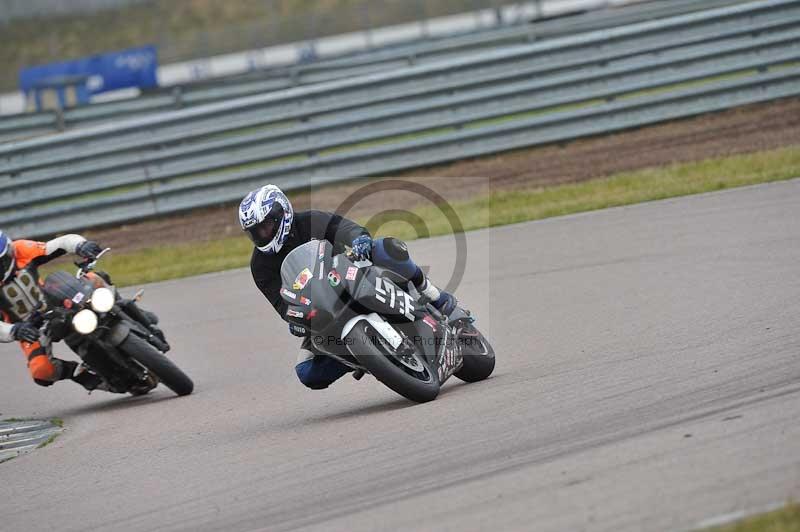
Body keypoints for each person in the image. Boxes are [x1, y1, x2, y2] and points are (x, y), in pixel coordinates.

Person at [240, 184, 457, 390]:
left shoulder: (310, 220)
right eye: (255, 232)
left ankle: (433, 294)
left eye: (266, 226)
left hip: (351, 274)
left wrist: (359, 239)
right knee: (306, 371)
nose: (262, 235)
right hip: (321, 310)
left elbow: (345, 228)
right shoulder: (260, 266)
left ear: (282, 213)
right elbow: (282, 304)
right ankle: (366, 358)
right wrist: (295, 319)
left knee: (384, 247)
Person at [0, 230, 158, 391]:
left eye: (2, 260)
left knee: (94, 278)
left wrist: (81, 245)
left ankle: (133, 313)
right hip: (30, 327)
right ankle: (85, 376)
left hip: (56, 300)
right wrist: (15, 331)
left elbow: (61, 243)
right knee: (41, 371)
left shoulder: (20, 249)